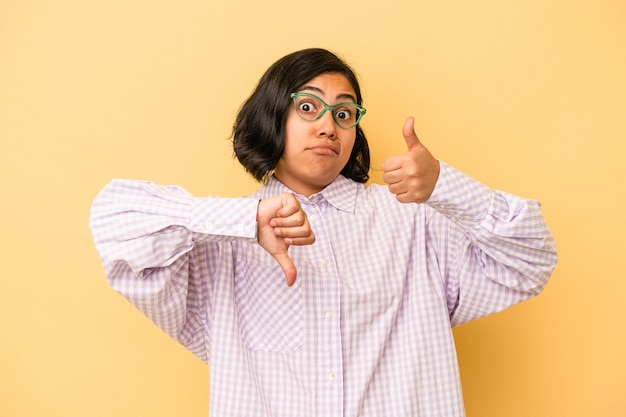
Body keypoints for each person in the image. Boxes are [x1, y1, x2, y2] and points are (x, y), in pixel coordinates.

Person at [90, 48, 557, 417]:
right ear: (274, 116)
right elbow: (115, 222)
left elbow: (532, 260)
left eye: (344, 113)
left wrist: (445, 187)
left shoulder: (414, 220)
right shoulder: (217, 244)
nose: (328, 127)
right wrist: (247, 221)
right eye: (308, 107)